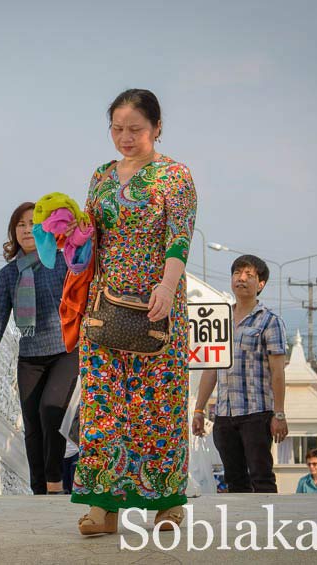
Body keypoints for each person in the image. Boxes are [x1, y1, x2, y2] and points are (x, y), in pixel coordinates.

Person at [71, 89, 197, 535]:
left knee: (157, 405)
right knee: (104, 406)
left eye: (135, 130)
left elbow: (179, 238)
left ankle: (166, 503)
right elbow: (90, 235)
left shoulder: (175, 178)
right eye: (117, 129)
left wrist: (166, 286)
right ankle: (103, 506)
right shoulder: (101, 176)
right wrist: (68, 234)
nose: (125, 138)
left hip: (156, 307)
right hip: (105, 306)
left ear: (157, 127)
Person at [0, 202, 78, 495]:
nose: (27, 229)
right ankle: (39, 490)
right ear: (13, 232)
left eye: (33, 223)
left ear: (45, 228)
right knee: (32, 426)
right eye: (20, 224)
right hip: (30, 357)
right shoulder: (9, 274)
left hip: (65, 352)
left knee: (50, 413)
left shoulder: (62, 262)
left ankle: (55, 486)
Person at [192, 255, 288, 494]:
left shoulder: (269, 321)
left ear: (261, 284)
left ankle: (268, 526)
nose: (241, 279)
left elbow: (278, 373)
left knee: (262, 476)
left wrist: (279, 413)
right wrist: (199, 409)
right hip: (224, 415)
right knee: (233, 480)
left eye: (249, 275)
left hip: (256, 413)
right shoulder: (218, 318)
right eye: (237, 274)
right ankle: (239, 528)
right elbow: (210, 368)